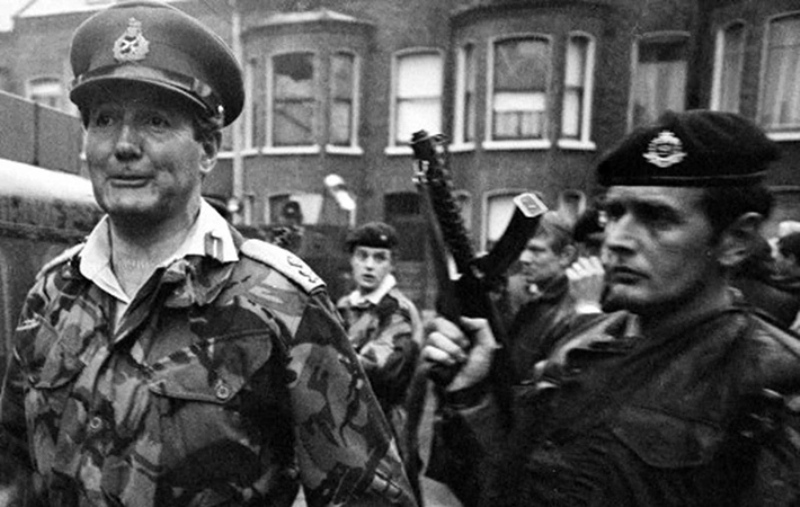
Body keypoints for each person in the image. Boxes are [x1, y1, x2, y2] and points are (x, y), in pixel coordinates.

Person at [0, 2, 416, 506]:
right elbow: (14, 473)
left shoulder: (280, 304)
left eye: (156, 121)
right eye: (105, 119)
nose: (124, 145)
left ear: (209, 150)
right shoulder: (52, 294)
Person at [423, 109, 800, 506]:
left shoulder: (776, 380)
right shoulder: (580, 345)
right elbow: (506, 491)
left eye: (657, 218)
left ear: (735, 240)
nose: (617, 239)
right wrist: (472, 396)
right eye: (615, 213)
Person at [336, 222, 423, 497]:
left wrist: (329, 358)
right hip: (348, 428)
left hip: (386, 428)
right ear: (352, 260)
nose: (369, 265)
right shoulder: (344, 306)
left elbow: (383, 368)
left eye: (379, 258)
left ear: (392, 264)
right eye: (362, 256)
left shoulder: (397, 310)